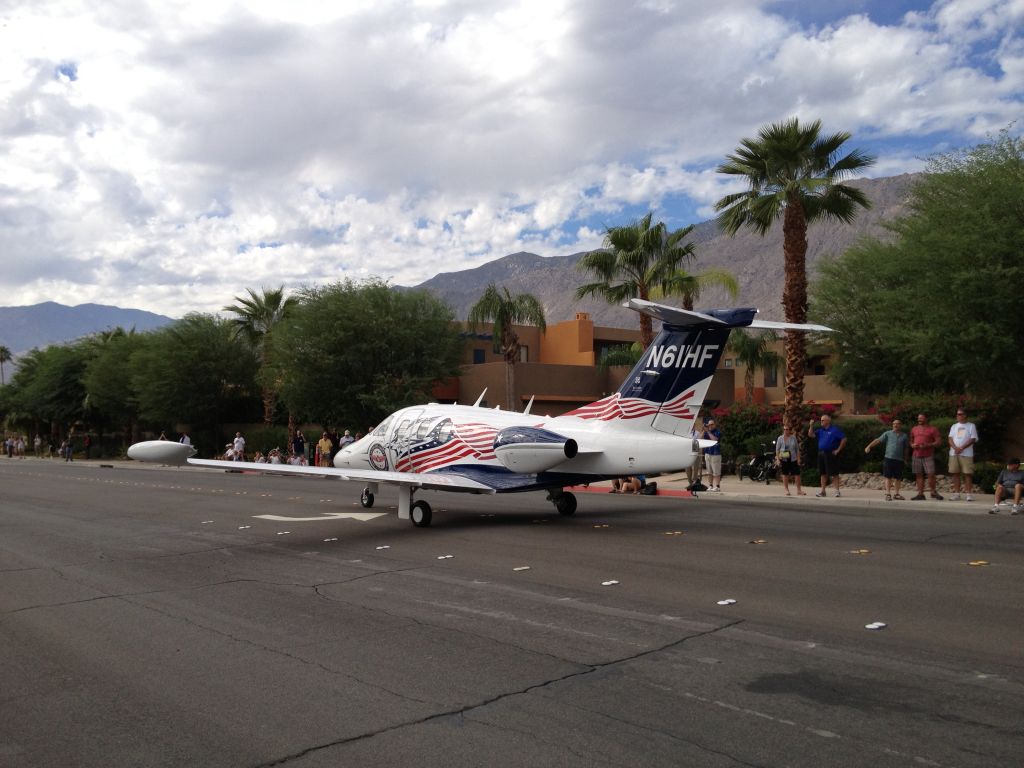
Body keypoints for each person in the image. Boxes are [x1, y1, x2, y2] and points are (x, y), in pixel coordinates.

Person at [864, 418, 910, 500]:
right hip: (889, 458)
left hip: (899, 459)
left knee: (898, 478)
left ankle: (897, 494)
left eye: (897, 423)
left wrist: (906, 459)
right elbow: (877, 440)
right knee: (888, 476)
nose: (895, 425)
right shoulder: (888, 433)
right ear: (892, 425)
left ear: (900, 425)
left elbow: (906, 448)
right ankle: (888, 494)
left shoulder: (904, 436)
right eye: (894, 424)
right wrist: (869, 446)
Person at [809, 413, 846, 497]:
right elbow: (811, 435)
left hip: (831, 453)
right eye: (821, 420)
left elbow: (844, 439)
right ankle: (823, 491)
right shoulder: (821, 430)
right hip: (821, 453)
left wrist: (838, 450)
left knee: (834, 473)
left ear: (828, 421)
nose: (821, 422)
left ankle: (837, 491)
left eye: (822, 420)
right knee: (823, 473)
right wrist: (811, 426)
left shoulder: (834, 430)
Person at [909, 413, 943, 500]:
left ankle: (933, 492)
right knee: (919, 475)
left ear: (926, 419)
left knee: (931, 474)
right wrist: (912, 445)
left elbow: (938, 442)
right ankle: (920, 494)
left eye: (921, 418)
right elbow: (911, 441)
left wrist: (928, 445)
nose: (919, 420)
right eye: (918, 418)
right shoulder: (914, 429)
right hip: (916, 455)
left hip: (928, 455)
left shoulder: (933, 429)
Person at [948, 409, 979, 501]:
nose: (958, 415)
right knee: (955, 473)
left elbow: (973, 439)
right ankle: (957, 494)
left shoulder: (971, 426)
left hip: (966, 454)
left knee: (967, 474)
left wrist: (961, 448)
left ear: (965, 415)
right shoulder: (954, 426)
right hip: (954, 453)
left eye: (960, 414)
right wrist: (955, 448)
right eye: (957, 414)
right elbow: (950, 438)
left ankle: (969, 494)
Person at [775, 424, 805, 496]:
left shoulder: (793, 438)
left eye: (787, 429)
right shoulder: (780, 438)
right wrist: (778, 459)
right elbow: (777, 450)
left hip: (793, 458)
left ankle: (799, 490)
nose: (785, 431)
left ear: (790, 431)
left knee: (797, 474)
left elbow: (797, 449)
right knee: (785, 474)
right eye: (784, 429)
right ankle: (786, 489)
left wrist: (798, 459)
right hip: (784, 457)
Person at [702, 419, 723, 492]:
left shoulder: (718, 432)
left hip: (715, 454)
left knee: (716, 472)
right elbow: (700, 438)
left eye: (712, 424)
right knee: (709, 472)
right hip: (707, 453)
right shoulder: (707, 432)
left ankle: (717, 486)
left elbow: (715, 440)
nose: (710, 426)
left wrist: (707, 431)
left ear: (715, 425)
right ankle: (710, 485)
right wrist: (703, 430)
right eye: (709, 425)